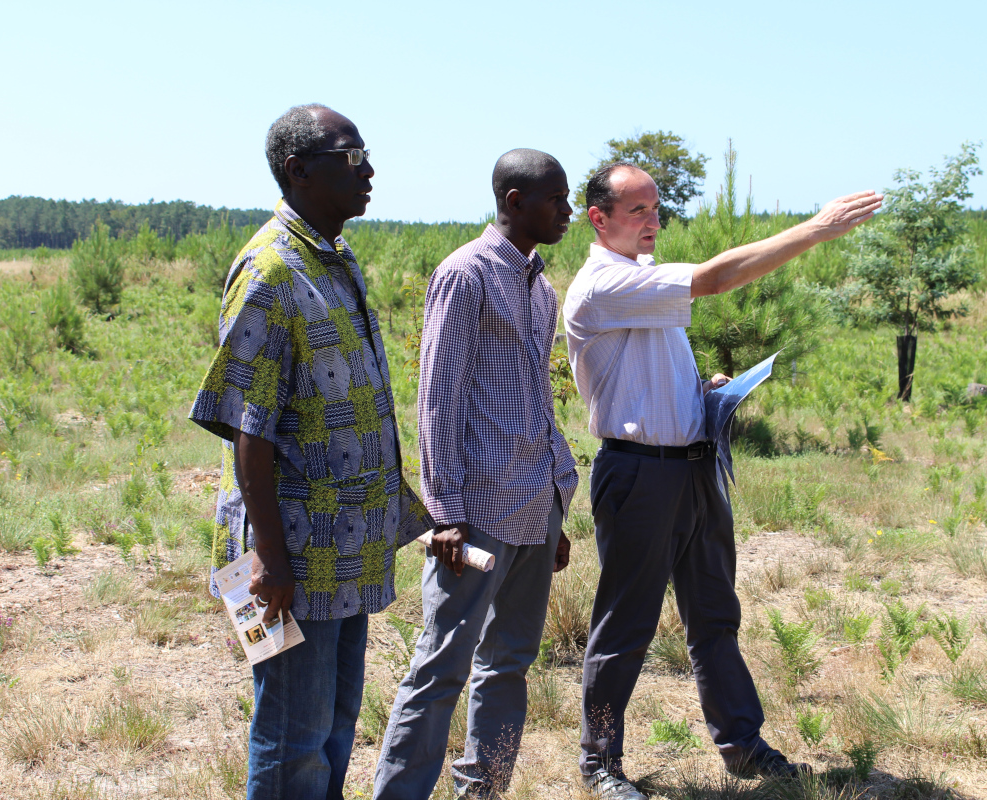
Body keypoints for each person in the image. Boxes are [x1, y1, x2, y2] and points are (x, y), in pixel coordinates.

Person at [563, 163, 882, 798]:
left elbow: (648, 371)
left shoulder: (644, 282)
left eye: (657, 210)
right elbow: (716, 278)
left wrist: (700, 393)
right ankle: (599, 762)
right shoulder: (604, 284)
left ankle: (742, 745)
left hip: (691, 468)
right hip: (639, 476)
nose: (653, 222)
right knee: (626, 624)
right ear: (598, 220)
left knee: (714, 615)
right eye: (637, 211)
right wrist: (815, 230)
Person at [189, 103, 432, 800]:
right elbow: (248, 430)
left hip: (344, 548)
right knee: (293, 735)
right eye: (352, 157)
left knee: (332, 725)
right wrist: (270, 557)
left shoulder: (334, 259)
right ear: (299, 171)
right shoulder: (270, 272)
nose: (371, 172)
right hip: (290, 553)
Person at [372, 149, 579, 800]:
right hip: (478, 516)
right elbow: (437, 399)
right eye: (556, 200)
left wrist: (555, 507)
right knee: (440, 668)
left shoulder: (539, 286)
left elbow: (537, 401)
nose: (568, 212)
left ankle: (481, 791)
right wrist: (447, 514)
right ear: (515, 202)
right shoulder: (465, 276)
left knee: (509, 663)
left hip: (533, 506)